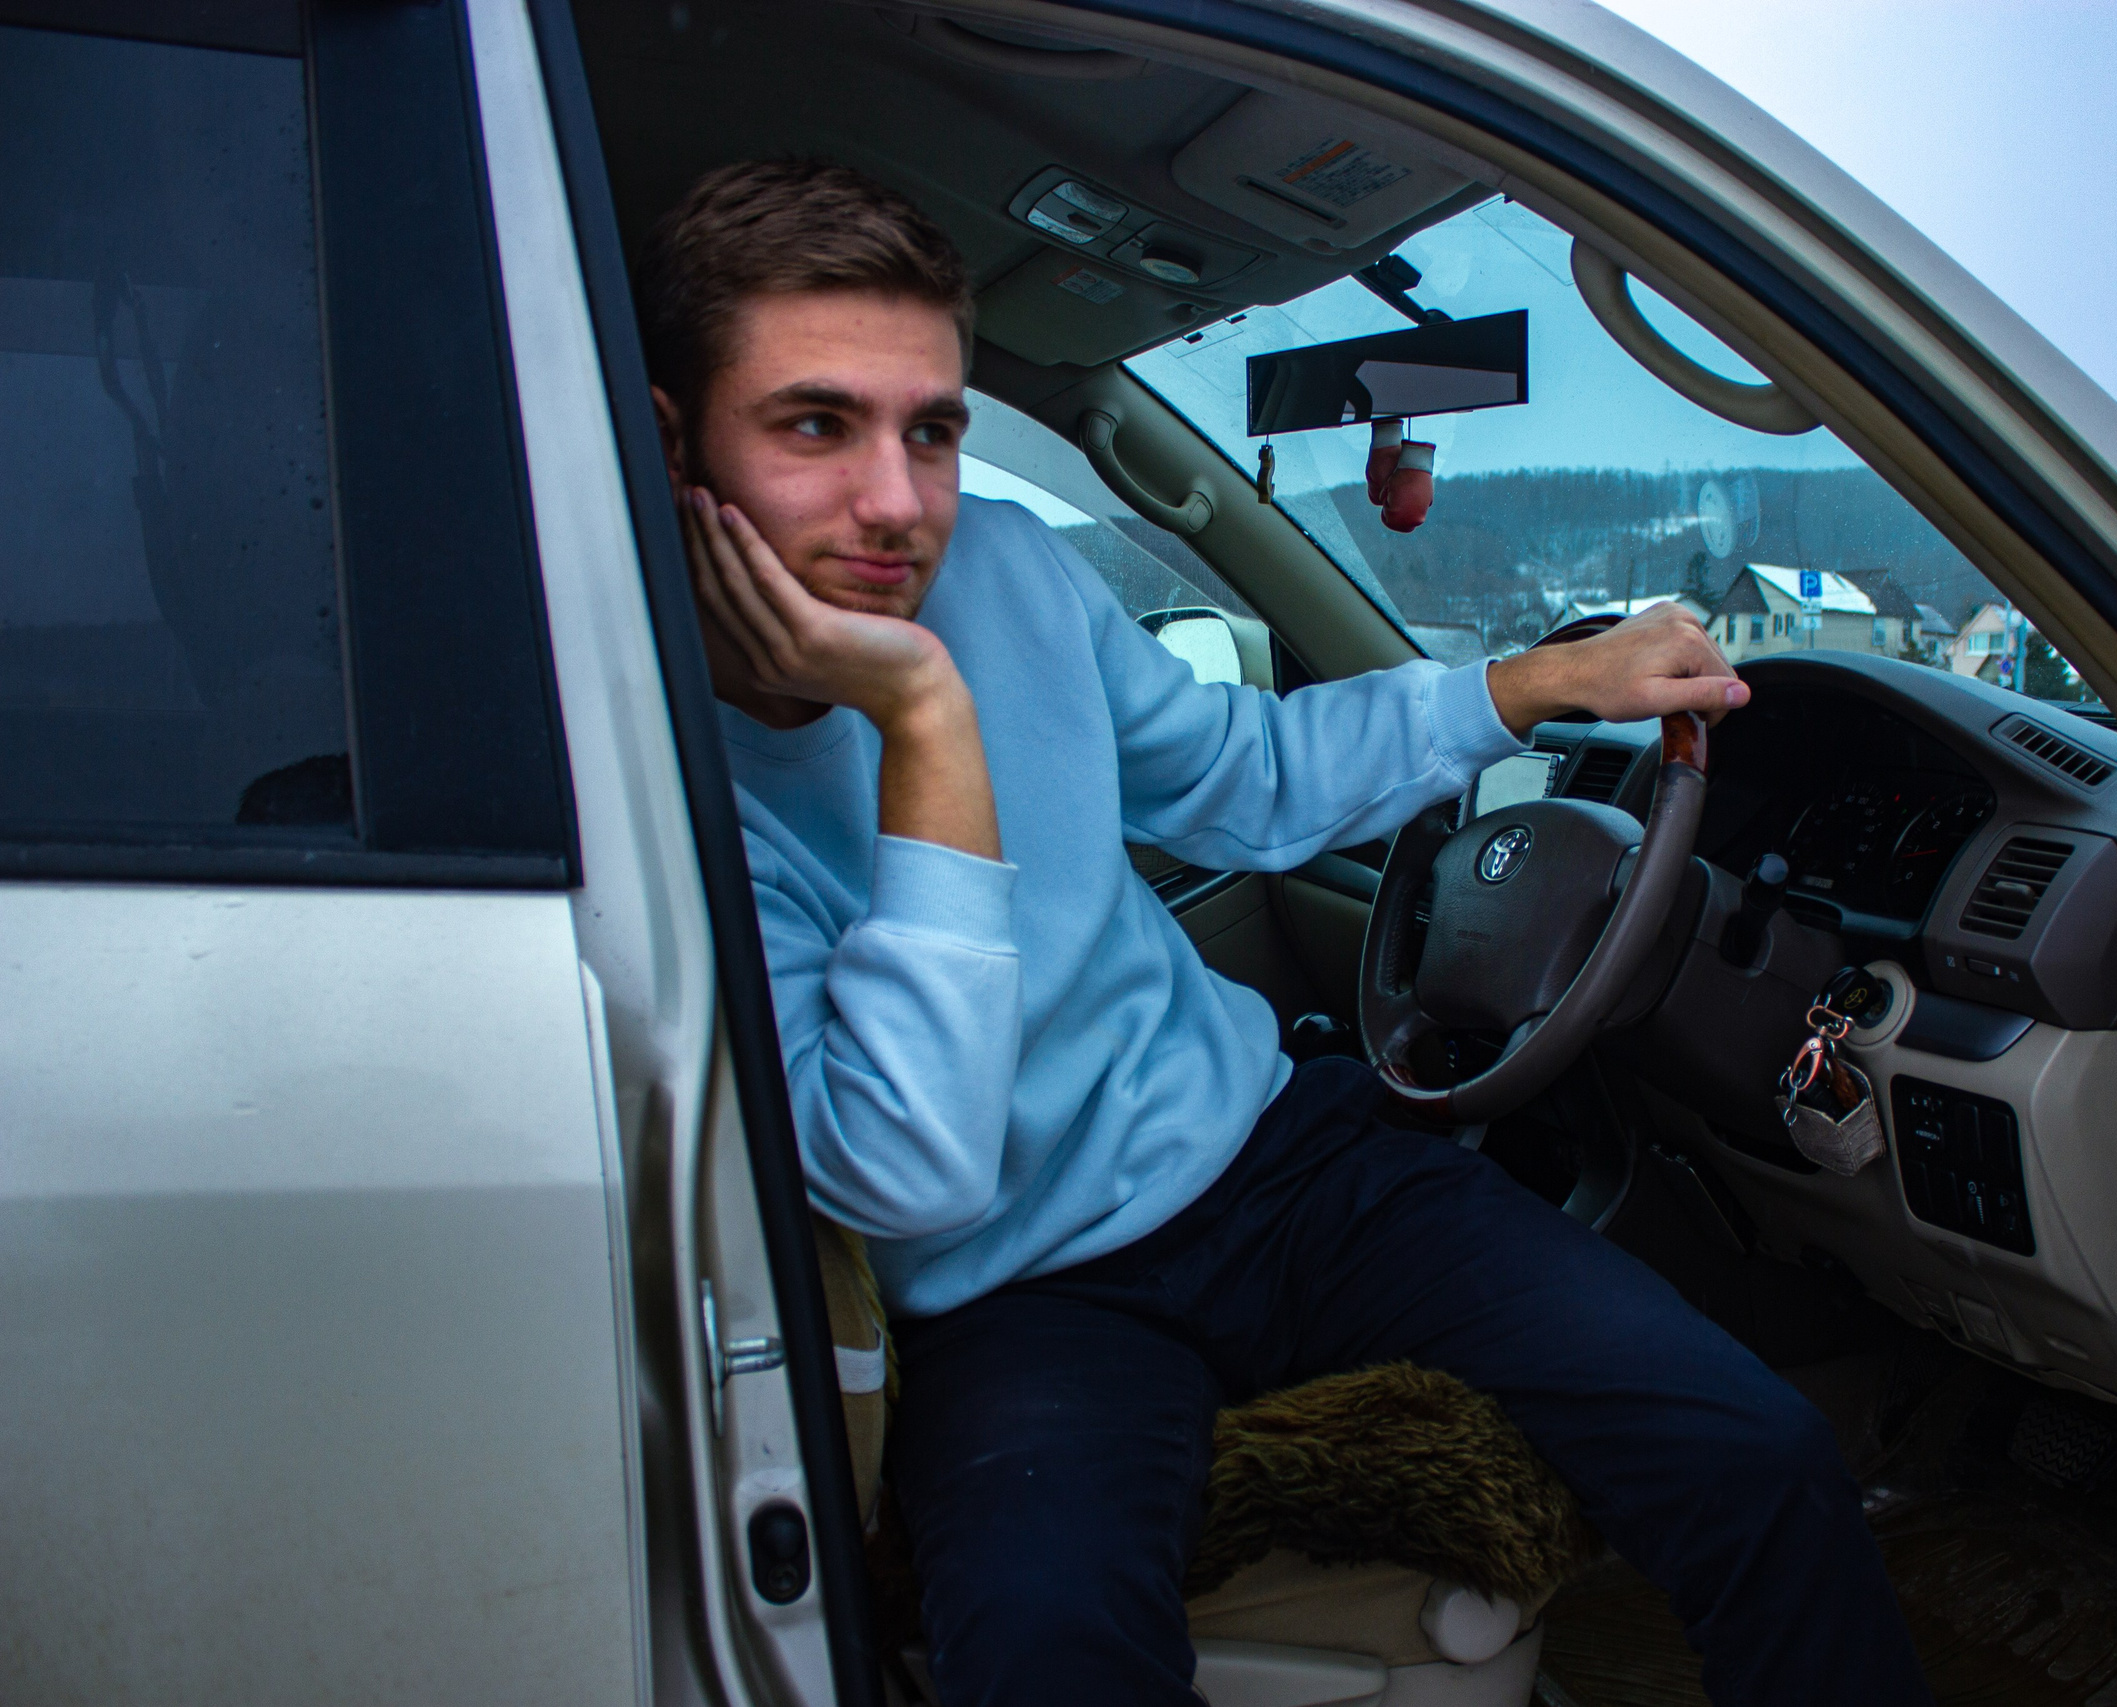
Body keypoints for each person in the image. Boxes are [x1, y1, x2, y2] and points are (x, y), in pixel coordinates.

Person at [639, 158, 1929, 1707]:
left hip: (1272, 1161)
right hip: (1010, 1294)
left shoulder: (1012, 567)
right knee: (1047, 1658)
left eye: (932, 428)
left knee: (1752, 1447)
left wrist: (1520, 689)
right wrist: (922, 718)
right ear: (667, 442)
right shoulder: (652, 783)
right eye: (812, 426)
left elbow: (1241, 784)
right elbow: (917, 1168)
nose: (901, 505)